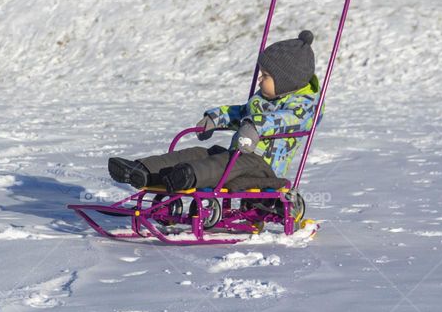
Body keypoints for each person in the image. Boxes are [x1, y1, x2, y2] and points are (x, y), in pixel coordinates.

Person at [108, 30, 321, 193]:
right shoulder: (264, 100)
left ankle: (187, 176)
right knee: (201, 153)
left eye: (265, 76)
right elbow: (240, 113)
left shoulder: (303, 107)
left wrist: (255, 126)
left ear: (285, 81)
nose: (260, 80)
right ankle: (143, 171)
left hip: (263, 167)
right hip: (238, 156)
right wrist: (215, 118)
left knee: (224, 163)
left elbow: (286, 120)